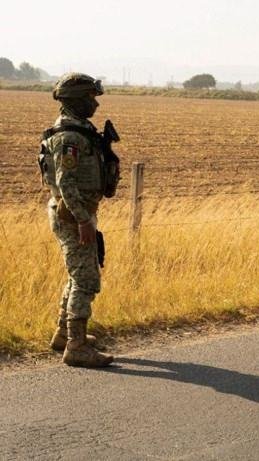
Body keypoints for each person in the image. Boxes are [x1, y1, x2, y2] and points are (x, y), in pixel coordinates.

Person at [40, 73, 118, 367]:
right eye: (89, 98)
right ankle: (76, 346)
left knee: (77, 275)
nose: (95, 104)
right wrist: (84, 221)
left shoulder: (79, 130)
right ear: (75, 100)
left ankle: (64, 334)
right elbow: (66, 183)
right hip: (73, 215)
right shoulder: (70, 137)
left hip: (77, 212)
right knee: (86, 279)